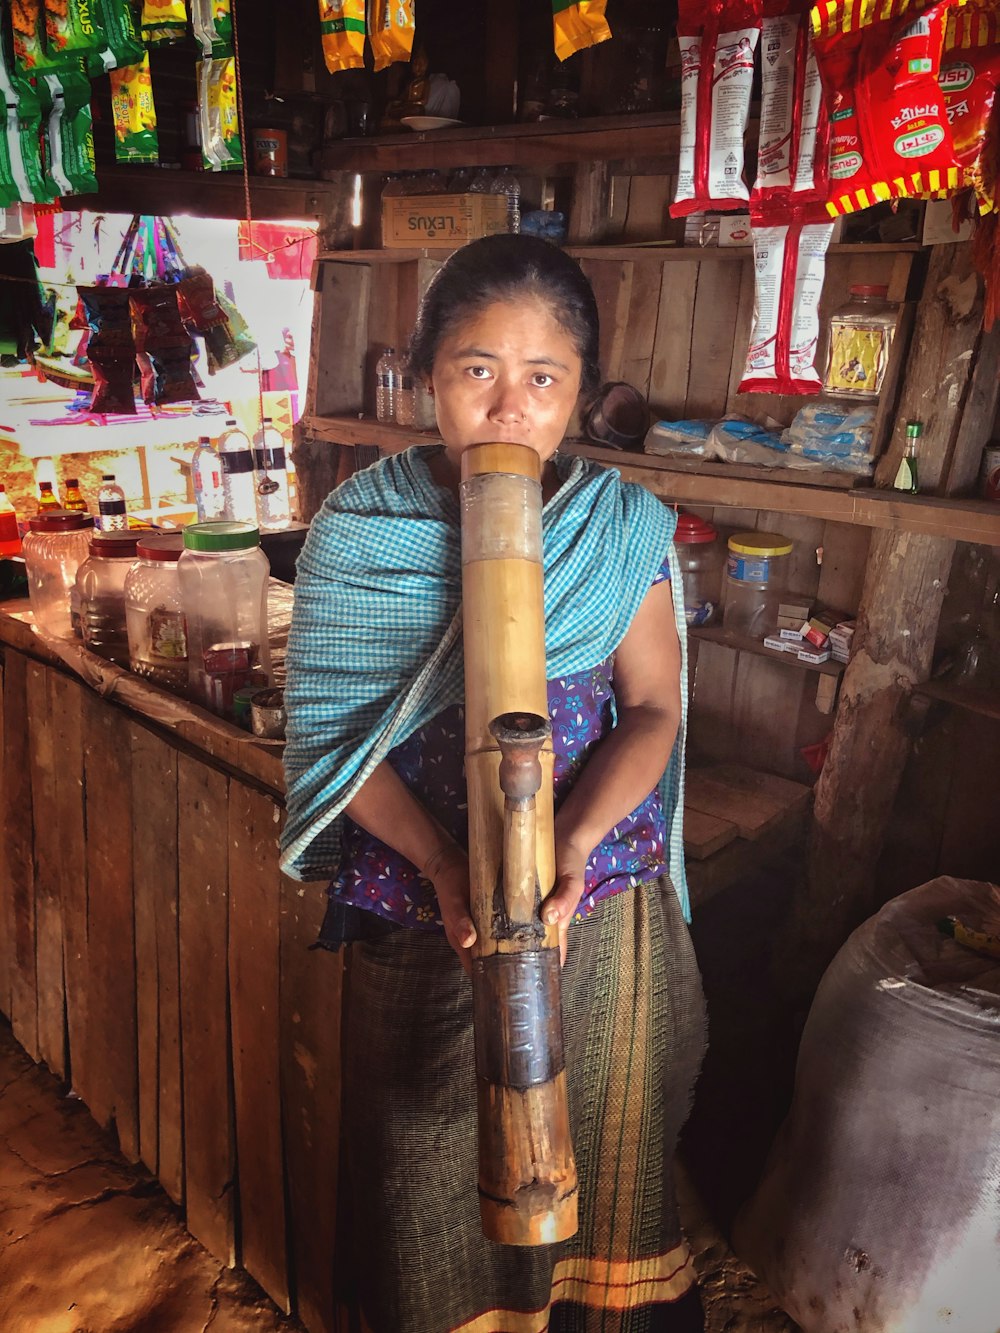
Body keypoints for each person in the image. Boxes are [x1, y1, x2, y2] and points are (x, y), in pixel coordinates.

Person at [281, 234, 707, 1332]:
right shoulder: (359, 531)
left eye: (543, 379)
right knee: (424, 1149)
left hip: (595, 908)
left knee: (604, 1147)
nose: (508, 407)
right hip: (425, 912)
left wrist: (564, 850)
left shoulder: (616, 528)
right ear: (427, 374)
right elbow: (338, 740)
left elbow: (652, 710)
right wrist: (443, 866)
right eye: (477, 370)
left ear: (580, 395)